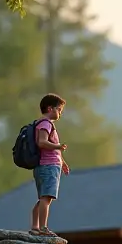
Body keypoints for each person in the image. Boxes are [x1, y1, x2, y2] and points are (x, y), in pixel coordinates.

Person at [30, 93, 70, 236]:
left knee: (42, 198)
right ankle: (43, 228)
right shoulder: (46, 124)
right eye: (59, 109)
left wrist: (62, 162)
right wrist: (58, 146)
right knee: (46, 198)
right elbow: (42, 142)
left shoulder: (41, 123)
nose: (60, 113)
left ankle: (35, 227)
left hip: (46, 165)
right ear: (50, 108)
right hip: (48, 166)